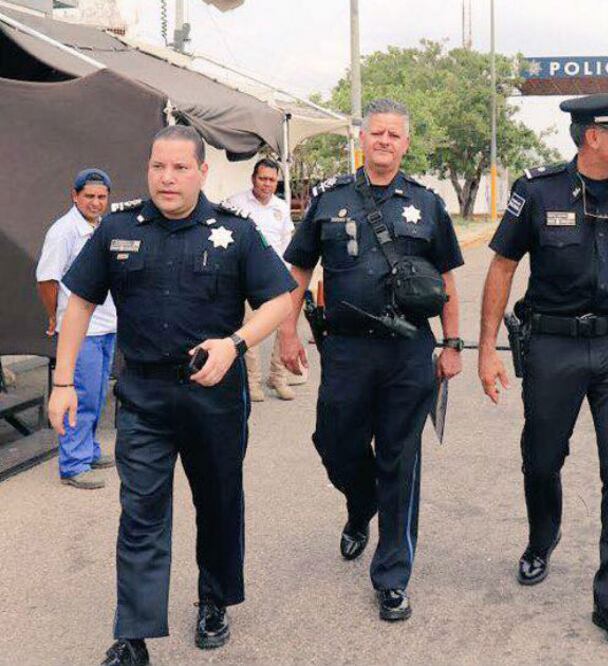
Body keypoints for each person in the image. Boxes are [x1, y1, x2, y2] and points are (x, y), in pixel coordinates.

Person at [48, 125, 296, 666]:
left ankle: (214, 601)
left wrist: (236, 343)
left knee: (219, 502)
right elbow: (80, 305)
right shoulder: (117, 228)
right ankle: (133, 635)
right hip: (144, 397)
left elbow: (282, 297)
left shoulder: (236, 232)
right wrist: (63, 382)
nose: (167, 177)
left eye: (180, 167)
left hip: (215, 397)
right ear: (148, 169)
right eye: (159, 166)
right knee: (140, 512)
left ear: (202, 173)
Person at [477, 87, 608, 651]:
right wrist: (487, 349)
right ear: (594, 137)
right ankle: (542, 537)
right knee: (542, 459)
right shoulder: (538, 192)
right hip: (552, 346)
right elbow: (501, 268)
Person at [279, 98, 464, 623]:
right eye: (376, 133)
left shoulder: (427, 204)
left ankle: (392, 577)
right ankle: (361, 506)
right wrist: (287, 333)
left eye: (394, 135)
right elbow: (297, 271)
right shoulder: (328, 199)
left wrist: (451, 345)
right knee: (334, 443)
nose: (384, 141)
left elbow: (448, 278)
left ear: (406, 144)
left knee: (401, 461)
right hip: (345, 349)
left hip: (408, 351)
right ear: (361, 139)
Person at [36, 168, 118, 489]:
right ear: (74, 196)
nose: (96, 203)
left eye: (101, 197)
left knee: (97, 396)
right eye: (89, 197)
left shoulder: (102, 227)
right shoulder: (63, 231)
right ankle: (73, 464)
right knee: (80, 396)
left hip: (106, 325)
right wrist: (56, 315)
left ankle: (89, 449)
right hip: (82, 331)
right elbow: (46, 279)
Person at [225, 158, 298, 401]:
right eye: (262, 178)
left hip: (277, 278)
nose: (267, 184)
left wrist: (288, 276)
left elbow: (288, 243)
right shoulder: (236, 203)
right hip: (248, 278)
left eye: (272, 180)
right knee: (251, 331)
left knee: (284, 329)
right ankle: (253, 381)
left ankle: (278, 377)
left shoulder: (281, 207)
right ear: (253, 179)